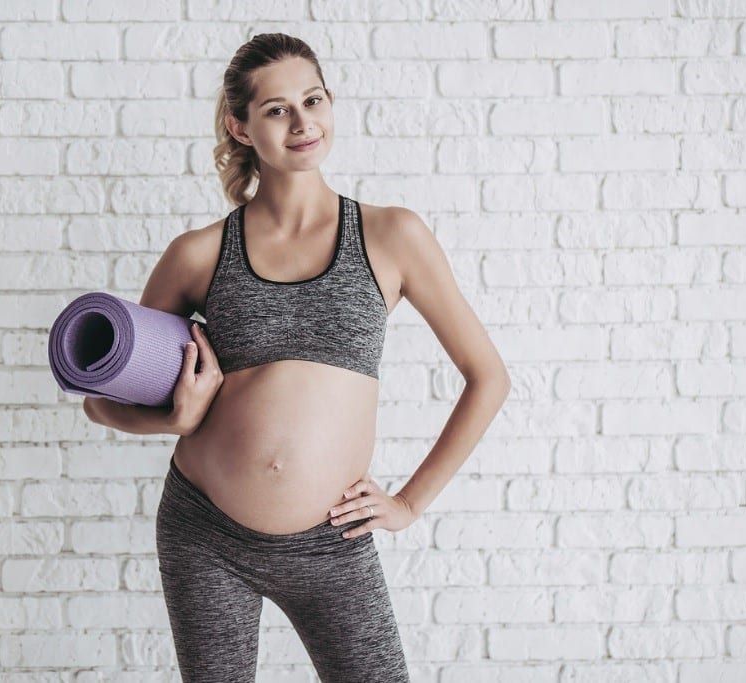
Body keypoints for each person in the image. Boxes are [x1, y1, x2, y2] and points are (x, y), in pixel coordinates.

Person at [82, 32, 510, 683]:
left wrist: (409, 503)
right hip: (206, 534)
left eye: (313, 99)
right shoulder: (197, 254)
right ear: (241, 125)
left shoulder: (392, 235)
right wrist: (171, 418)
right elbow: (102, 399)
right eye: (278, 108)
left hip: (332, 541)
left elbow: (489, 378)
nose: (302, 120)